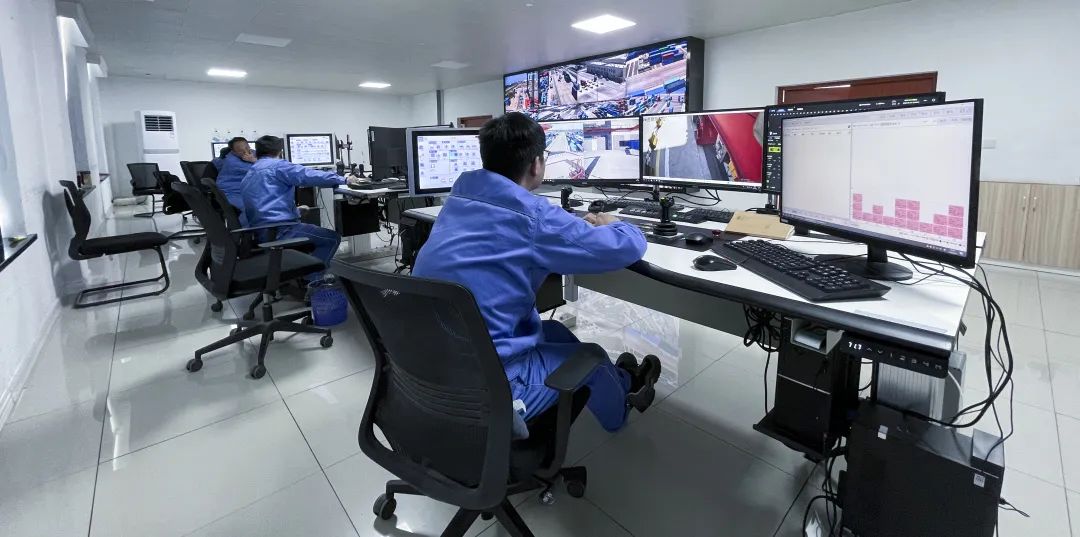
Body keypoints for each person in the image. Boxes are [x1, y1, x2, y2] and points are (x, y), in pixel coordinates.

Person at [413, 113, 660, 433]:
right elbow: (624, 248)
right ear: (537, 164)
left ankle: (621, 379)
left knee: (553, 331)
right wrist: (615, 223)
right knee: (595, 357)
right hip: (490, 385)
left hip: (434, 359)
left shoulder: (459, 198)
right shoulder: (533, 216)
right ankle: (621, 408)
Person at [241, 135, 359, 275]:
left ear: (257, 152)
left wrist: (296, 211)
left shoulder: (251, 172)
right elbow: (307, 175)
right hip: (280, 230)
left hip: (260, 230)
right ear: (280, 151)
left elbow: (264, 202)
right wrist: (344, 179)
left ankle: (302, 273)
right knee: (331, 238)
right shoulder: (278, 166)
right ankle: (313, 281)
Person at [212, 137, 256, 215]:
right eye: (240, 150)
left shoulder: (252, 152)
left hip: (247, 191)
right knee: (249, 209)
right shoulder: (231, 161)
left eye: (247, 147)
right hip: (232, 192)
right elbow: (263, 169)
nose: (246, 152)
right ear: (233, 152)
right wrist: (253, 160)